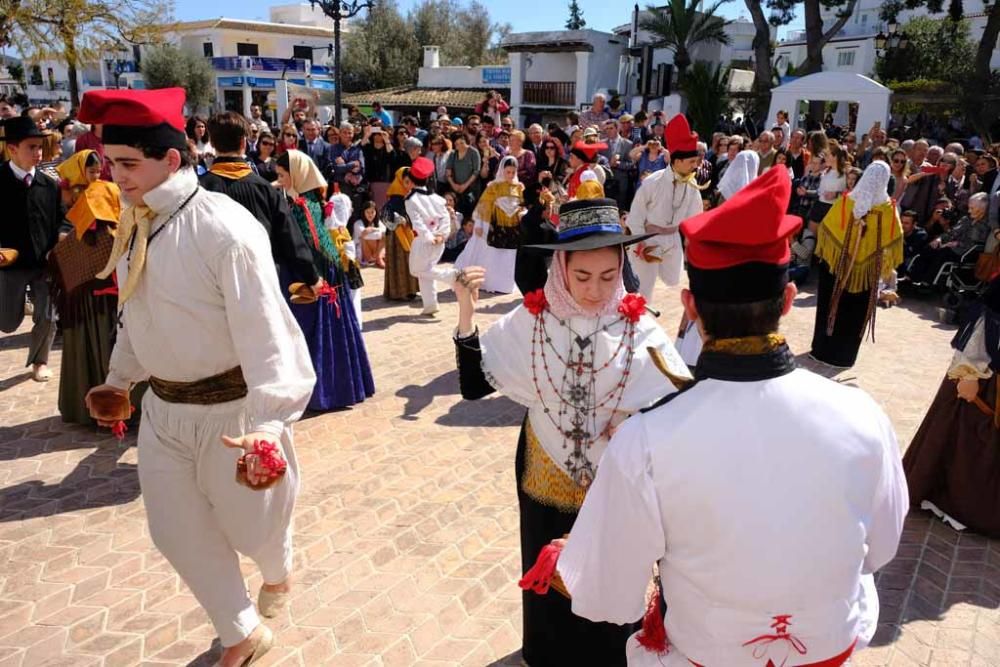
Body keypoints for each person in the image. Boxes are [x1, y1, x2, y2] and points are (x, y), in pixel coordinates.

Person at [554, 167, 907, 667]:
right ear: (787, 301)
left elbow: (607, 596)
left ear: (690, 308)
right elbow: (881, 550)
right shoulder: (863, 414)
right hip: (830, 648)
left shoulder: (648, 439)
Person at [78, 87, 314, 667]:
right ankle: (242, 632)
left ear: (172, 160)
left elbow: (266, 328)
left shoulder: (225, 230)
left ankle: (278, 567)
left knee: (252, 530)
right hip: (162, 415)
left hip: (234, 415)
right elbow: (137, 309)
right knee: (175, 531)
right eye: (113, 164)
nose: (118, 177)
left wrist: (266, 423)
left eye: (129, 165)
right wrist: (120, 379)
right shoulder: (137, 221)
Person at [452, 197, 691, 667]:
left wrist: (638, 421)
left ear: (621, 268)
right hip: (544, 469)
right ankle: (548, 651)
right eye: (582, 277)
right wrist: (465, 310)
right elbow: (475, 385)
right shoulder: (533, 319)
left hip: (615, 481)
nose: (596, 290)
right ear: (560, 267)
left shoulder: (639, 326)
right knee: (547, 570)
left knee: (612, 572)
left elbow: (677, 402)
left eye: (607, 276)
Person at [275, 149, 374, 409]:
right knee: (331, 331)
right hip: (323, 269)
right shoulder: (309, 198)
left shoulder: (302, 205)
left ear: (296, 174)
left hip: (316, 272)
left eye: (283, 175)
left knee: (317, 332)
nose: (280, 180)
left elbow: (314, 241)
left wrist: (320, 272)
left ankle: (323, 393)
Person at [904, 275, 1000, 537]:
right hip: (985, 377)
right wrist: (969, 370)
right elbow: (986, 321)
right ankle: (953, 498)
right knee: (962, 439)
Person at [49, 149, 133, 423]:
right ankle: (103, 408)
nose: (96, 176)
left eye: (99, 171)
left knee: (112, 349)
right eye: (91, 171)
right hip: (90, 302)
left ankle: (109, 407)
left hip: (104, 301)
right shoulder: (64, 197)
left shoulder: (112, 233)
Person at [200, 112, 319, 295]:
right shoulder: (265, 189)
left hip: (211, 286)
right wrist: (312, 278)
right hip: (260, 284)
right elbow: (291, 239)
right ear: (243, 143)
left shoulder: (198, 189)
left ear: (213, 143)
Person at [811, 161, 902, 368]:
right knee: (854, 313)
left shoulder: (845, 202)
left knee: (830, 306)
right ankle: (843, 356)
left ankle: (822, 350)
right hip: (867, 272)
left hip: (836, 267)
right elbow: (895, 238)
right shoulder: (888, 209)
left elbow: (825, 229)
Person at [0, 116, 62, 382]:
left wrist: (61, 237)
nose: (38, 153)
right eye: (31, 147)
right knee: (7, 322)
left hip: (44, 264)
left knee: (48, 316)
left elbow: (63, 218)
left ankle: (40, 361)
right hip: (8, 264)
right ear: (12, 149)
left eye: (40, 147)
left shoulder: (49, 185)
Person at [627, 114, 704, 303]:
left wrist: (696, 241)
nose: (696, 166)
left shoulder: (692, 184)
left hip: (673, 239)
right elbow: (636, 213)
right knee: (645, 285)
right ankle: (639, 319)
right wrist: (639, 241)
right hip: (649, 238)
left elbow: (696, 217)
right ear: (677, 162)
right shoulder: (653, 181)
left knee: (672, 280)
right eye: (692, 162)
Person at [404, 157, 458, 316]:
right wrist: (441, 235)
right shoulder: (438, 199)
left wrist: (430, 237)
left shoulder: (410, 200)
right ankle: (430, 304)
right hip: (438, 241)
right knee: (425, 272)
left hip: (423, 241)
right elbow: (445, 218)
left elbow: (418, 223)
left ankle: (451, 275)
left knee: (416, 270)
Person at [465, 155, 524, 294]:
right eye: (508, 172)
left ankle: (506, 284)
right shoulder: (494, 186)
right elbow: (483, 206)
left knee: (510, 255)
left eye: (513, 172)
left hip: (513, 226)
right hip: (495, 225)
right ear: (502, 170)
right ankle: (492, 283)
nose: (510, 175)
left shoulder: (519, 187)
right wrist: (478, 225)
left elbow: (522, 205)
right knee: (494, 254)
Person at [381, 167, 420, 301]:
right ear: (400, 180)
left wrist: (407, 220)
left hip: (407, 233)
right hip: (396, 236)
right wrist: (398, 220)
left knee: (409, 260)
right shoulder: (395, 197)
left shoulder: (408, 196)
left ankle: (409, 290)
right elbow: (385, 215)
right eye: (407, 181)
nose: (410, 185)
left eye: (412, 182)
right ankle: (401, 292)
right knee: (401, 261)